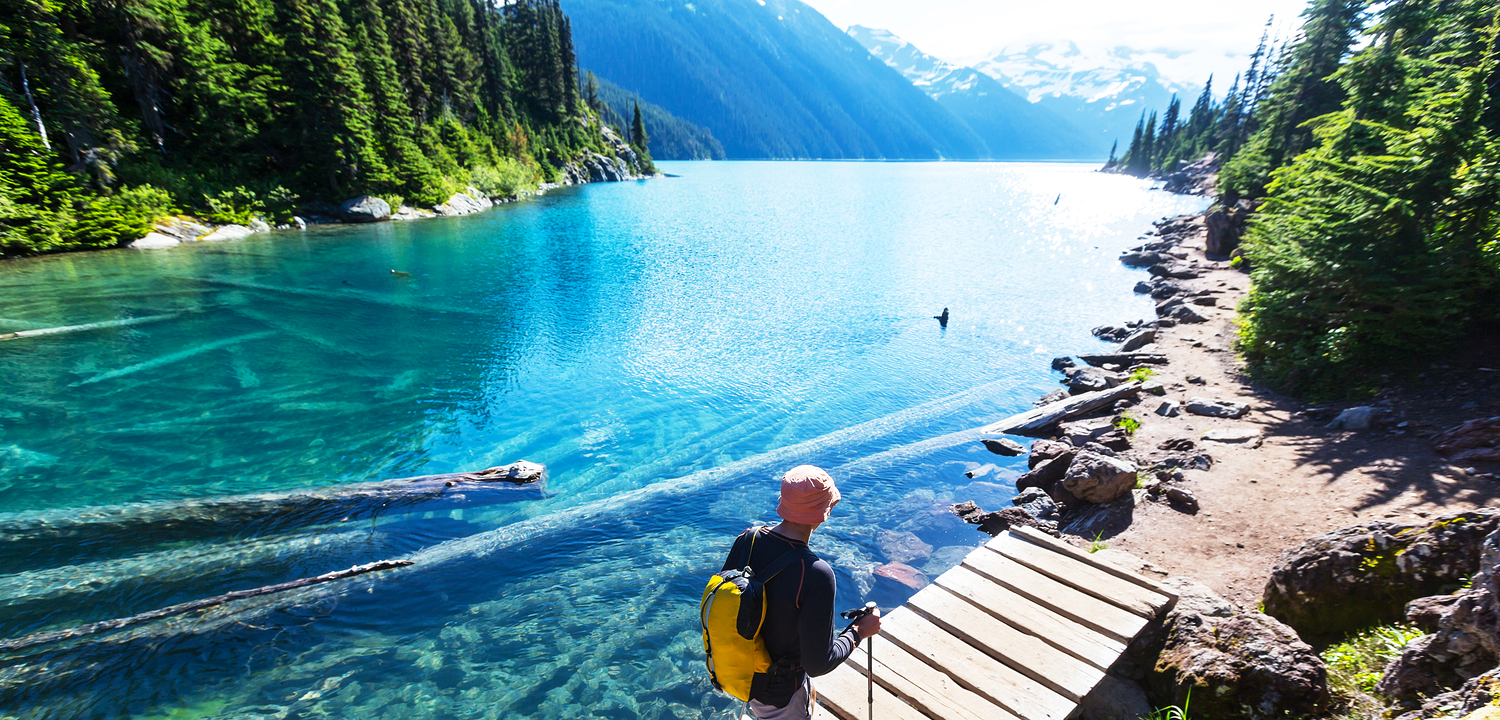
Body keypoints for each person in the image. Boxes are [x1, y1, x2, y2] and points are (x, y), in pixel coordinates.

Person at [720, 465, 882, 719]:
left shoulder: (747, 540)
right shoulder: (816, 573)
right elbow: (818, 663)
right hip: (782, 694)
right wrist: (860, 630)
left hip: (738, 671)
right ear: (823, 514)